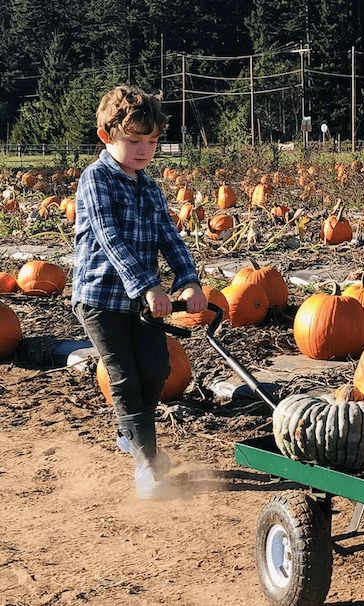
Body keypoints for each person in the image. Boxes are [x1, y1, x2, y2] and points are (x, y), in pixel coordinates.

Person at [71, 85, 207, 500]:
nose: (144, 150)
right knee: (126, 378)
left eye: (151, 141)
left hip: (142, 300)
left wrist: (189, 279)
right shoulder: (96, 180)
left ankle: (133, 438)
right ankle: (147, 464)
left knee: (156, 370)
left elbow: (169, 236)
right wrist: (149, 285)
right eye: (133, 141)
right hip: (100, 299)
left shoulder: (149, 186)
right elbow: (110, 239)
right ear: (106, 136)